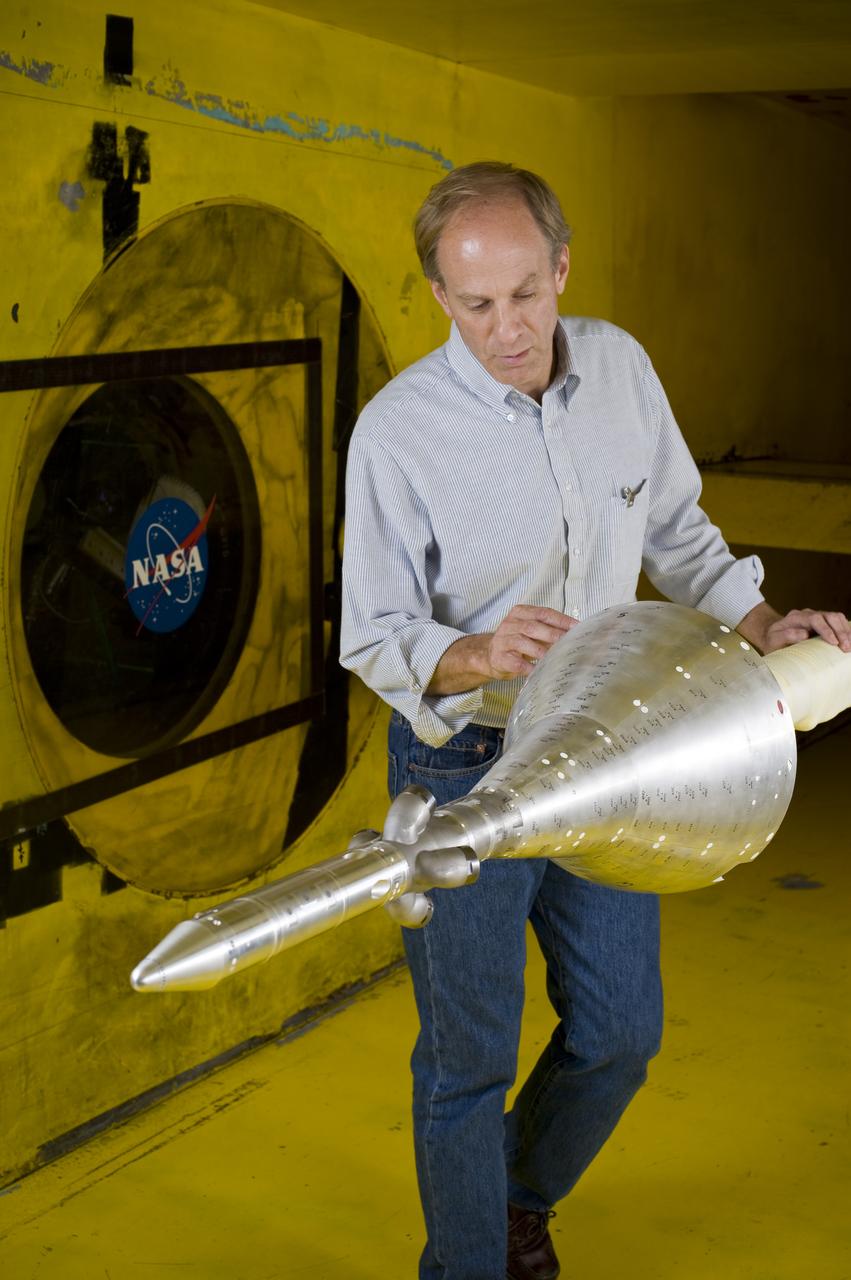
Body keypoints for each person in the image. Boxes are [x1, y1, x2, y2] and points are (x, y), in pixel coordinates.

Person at [339, 161, 850, 1280]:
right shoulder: (396, 431)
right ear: (438, 294)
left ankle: (518, 1190)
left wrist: (763, 622)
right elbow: (370, 629)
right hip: (464, 753)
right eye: (473, 304)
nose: (504, 328)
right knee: (466, 1057)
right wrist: (470, 651)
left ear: (560, 267)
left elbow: (677, 530)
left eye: (524, 294)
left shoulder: (618, 369)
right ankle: (469, 1260)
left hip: (609, 750)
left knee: (619, 1032)